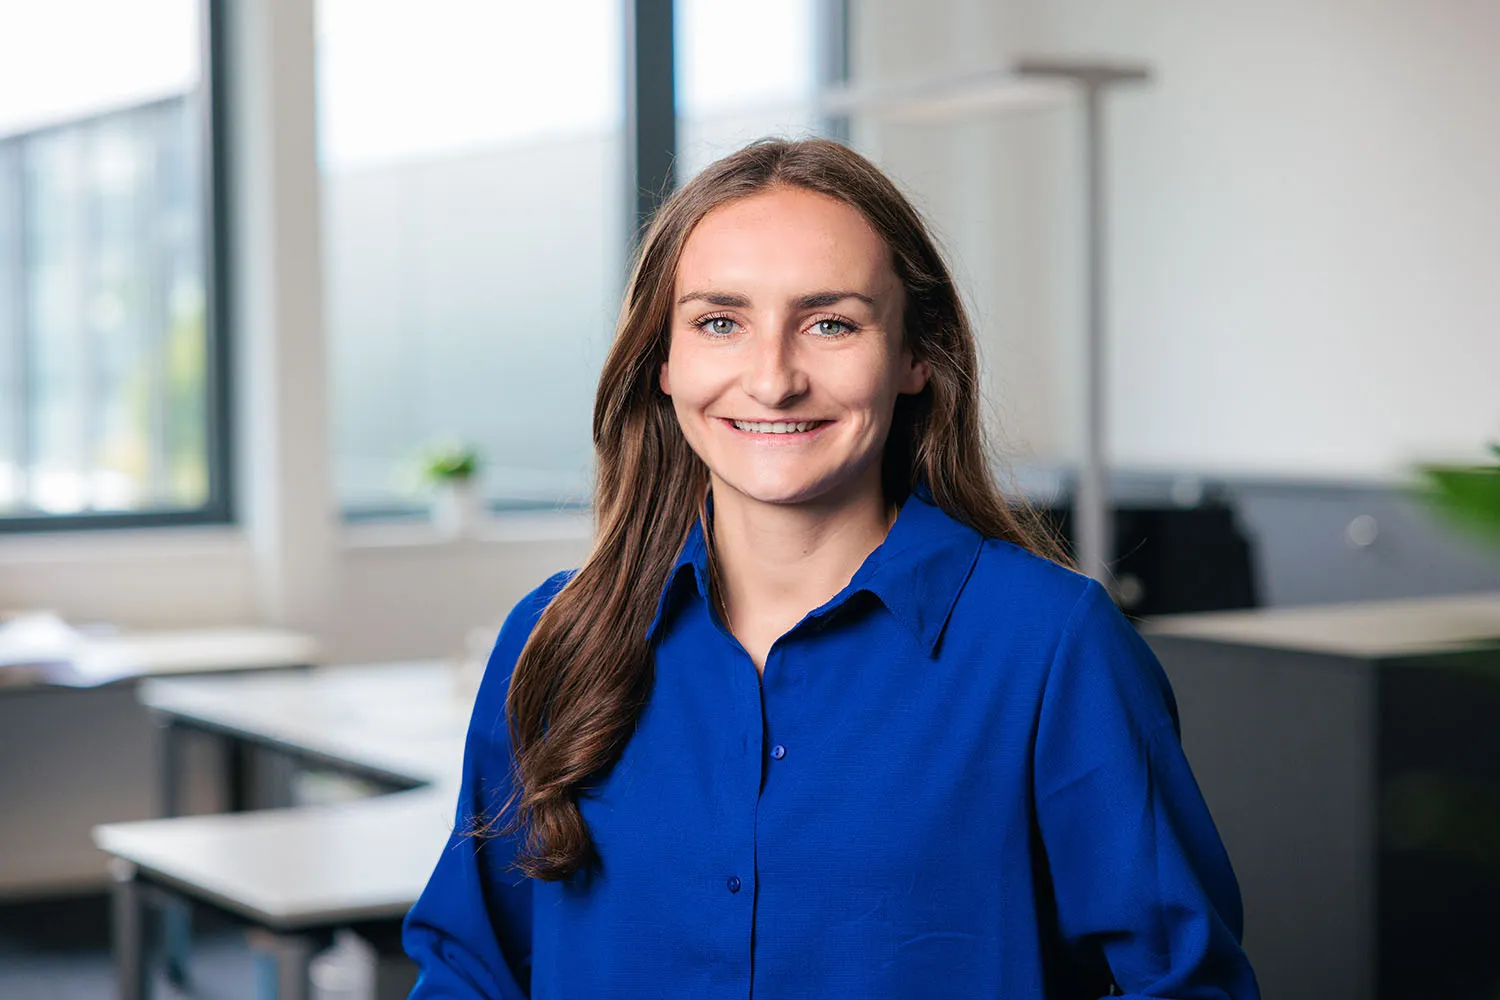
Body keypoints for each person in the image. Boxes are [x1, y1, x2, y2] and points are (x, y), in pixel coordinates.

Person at [403, 138, 1259, 999]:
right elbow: (468, 971)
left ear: (916, 357)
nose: (773, 380)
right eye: (720, 322)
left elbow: (1185, 985)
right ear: (663, 361)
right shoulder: (555, 640)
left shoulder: (1049, 647)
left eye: (830, 324)